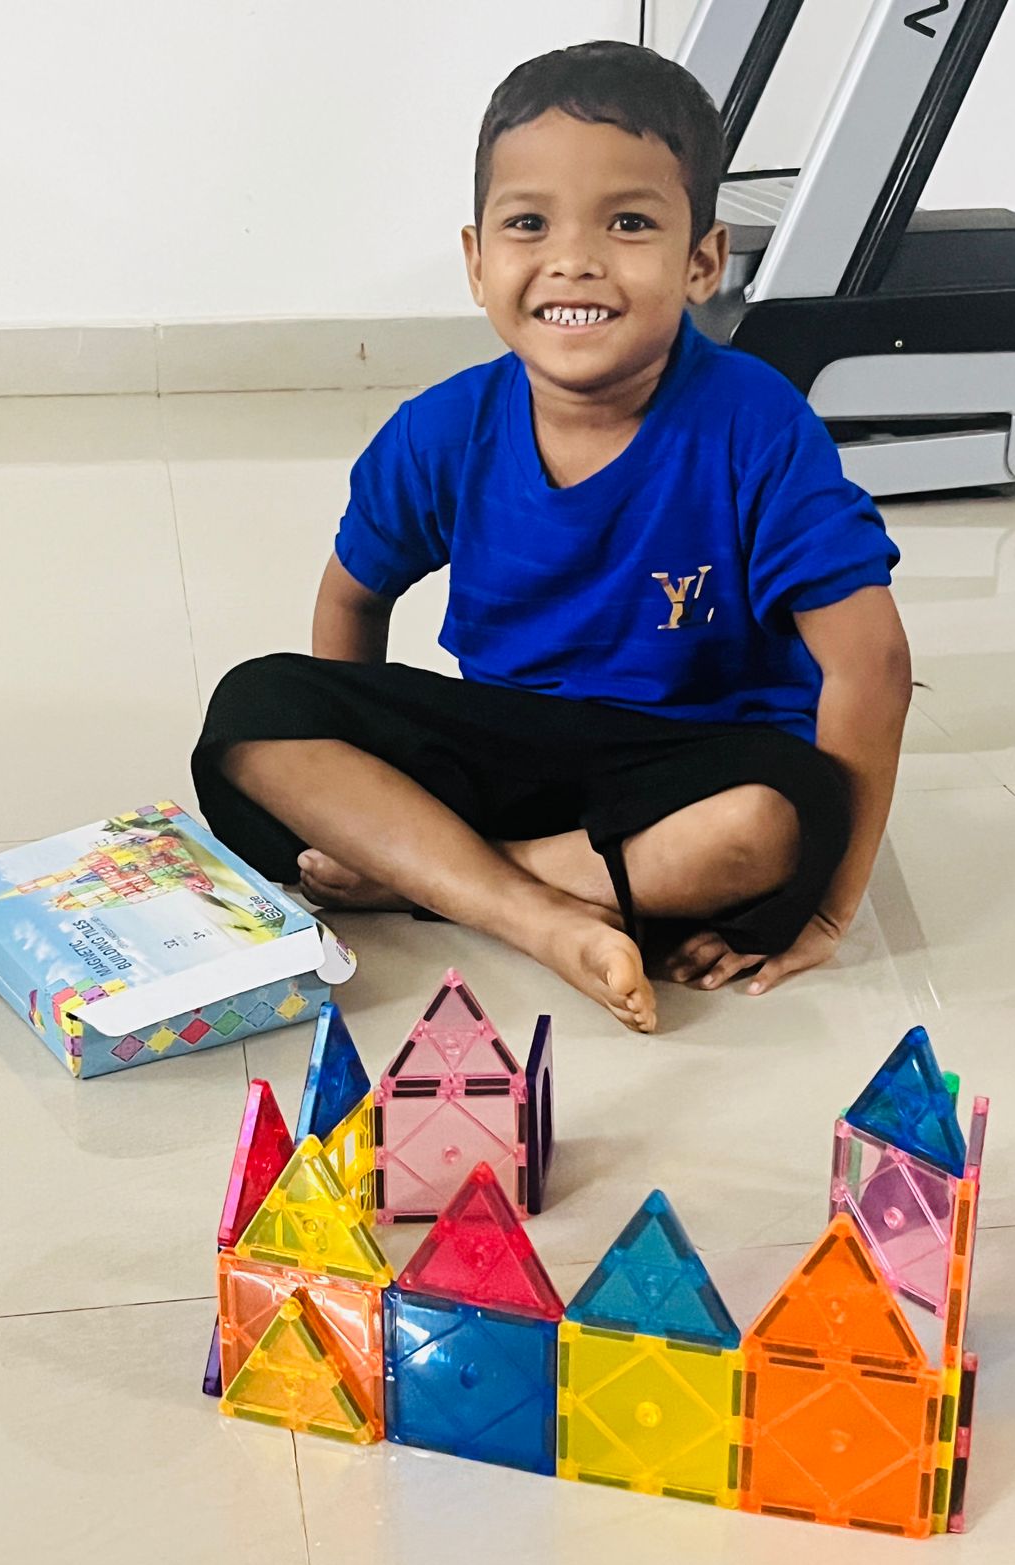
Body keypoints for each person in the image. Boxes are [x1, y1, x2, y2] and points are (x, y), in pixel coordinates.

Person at [191, 40, 910, 1034]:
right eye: (529, 223)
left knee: (785, 816)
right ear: (478, 261)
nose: (574, 259)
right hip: (510, 749)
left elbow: (870, 663)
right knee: (252, 709)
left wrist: (831, 904)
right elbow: (353, 598)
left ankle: (438, 878)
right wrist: (366, 758)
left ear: (703, 260)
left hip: (691, 764)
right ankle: (536, 909)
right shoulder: (442, 429)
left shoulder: (756, 423)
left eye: (629, 222)